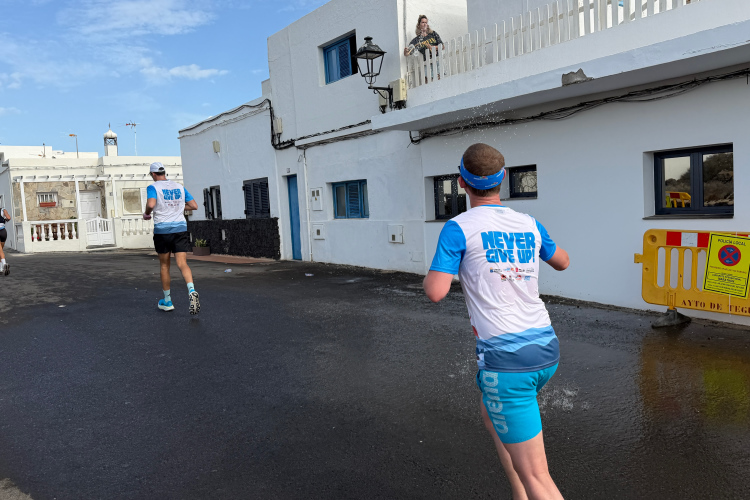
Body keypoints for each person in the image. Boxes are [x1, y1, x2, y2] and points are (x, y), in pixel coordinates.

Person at [423, 144, 569, 500]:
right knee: (492, 415)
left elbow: (436, 292)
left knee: (538, 477)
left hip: (508, 364)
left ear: (461, 182)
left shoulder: (459, 228)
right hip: (545, 349)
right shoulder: (529, 223)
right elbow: (563, 261)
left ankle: (528, 491)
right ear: (502, 179)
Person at [143, 162, 201, 314]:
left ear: (153, 174)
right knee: (182, 263)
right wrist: (178, 207)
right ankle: (191, 290)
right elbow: (194, 206)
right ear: (164, 173)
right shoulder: (179, 186)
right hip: (180, 229)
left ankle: (167, 301)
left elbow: (151, 204)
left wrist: (147, 213)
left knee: (164, 265)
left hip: (163, 231)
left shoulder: (153, 187)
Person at [403, 15, 444, 82]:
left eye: (426, 22)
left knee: (439, 79)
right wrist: (406, 51)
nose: (425, 24)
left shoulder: (433, 34)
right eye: (423, 22)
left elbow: (442, 46)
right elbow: (408, 53)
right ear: (419, 25)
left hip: (436, 60)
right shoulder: (417, 40)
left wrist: (432, 47)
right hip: (426, 63)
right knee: (428, 81)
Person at [0, 206, 10, 275]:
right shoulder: (3, 210)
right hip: (3, 232)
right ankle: (1, 269)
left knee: (0, 251)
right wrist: (5, 219)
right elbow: (8, 217)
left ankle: (4, 264)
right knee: (0, 251)